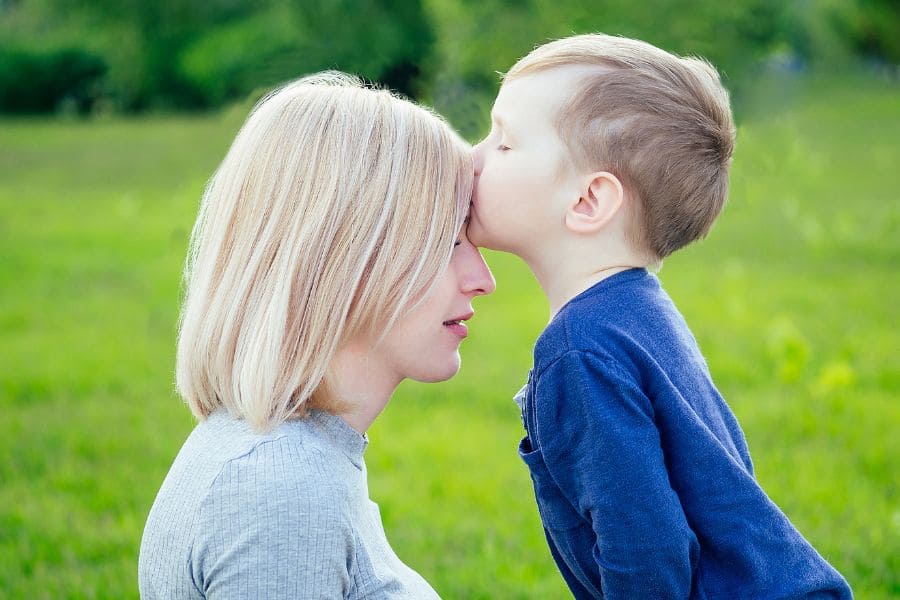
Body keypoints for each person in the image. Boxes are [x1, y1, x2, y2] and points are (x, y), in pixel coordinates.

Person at [469, 34, 852, 598]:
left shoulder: (583, 350)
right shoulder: (636, 313)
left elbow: (646, 554)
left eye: (503, 143)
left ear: (588, 202)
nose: (471, 155)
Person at [138, 71, 495, 599]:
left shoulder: (290, 461)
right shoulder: (276, 490)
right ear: (345, 253)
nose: (483, 280)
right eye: (446, 239)